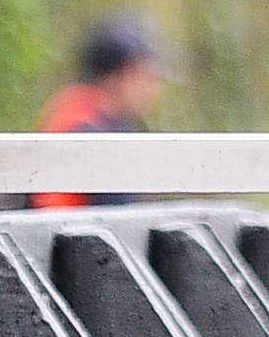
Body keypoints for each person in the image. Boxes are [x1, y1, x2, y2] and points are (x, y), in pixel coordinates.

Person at [24, 12, 165, 213]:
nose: (153, 89)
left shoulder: (80, 111)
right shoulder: (81, 125)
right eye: (146, 77)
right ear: (120, 76)